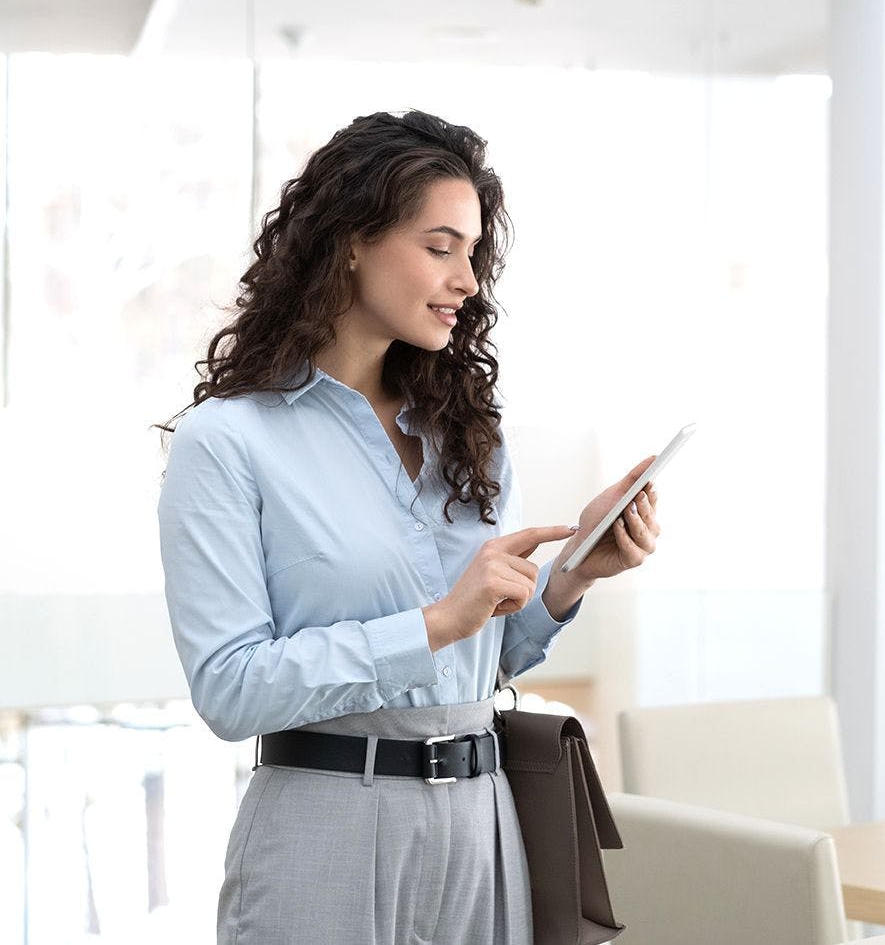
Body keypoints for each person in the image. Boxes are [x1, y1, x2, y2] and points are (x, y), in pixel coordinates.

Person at [153, 109, 661, 944]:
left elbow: (482, 655)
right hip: (326, 829)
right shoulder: (229, 439)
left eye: (472, 253)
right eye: (440, 246)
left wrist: (571, 576)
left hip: (484, 826)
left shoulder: (470, 432)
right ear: (352, 239)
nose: (466, 280)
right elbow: (231, 688)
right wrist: (431, 624)